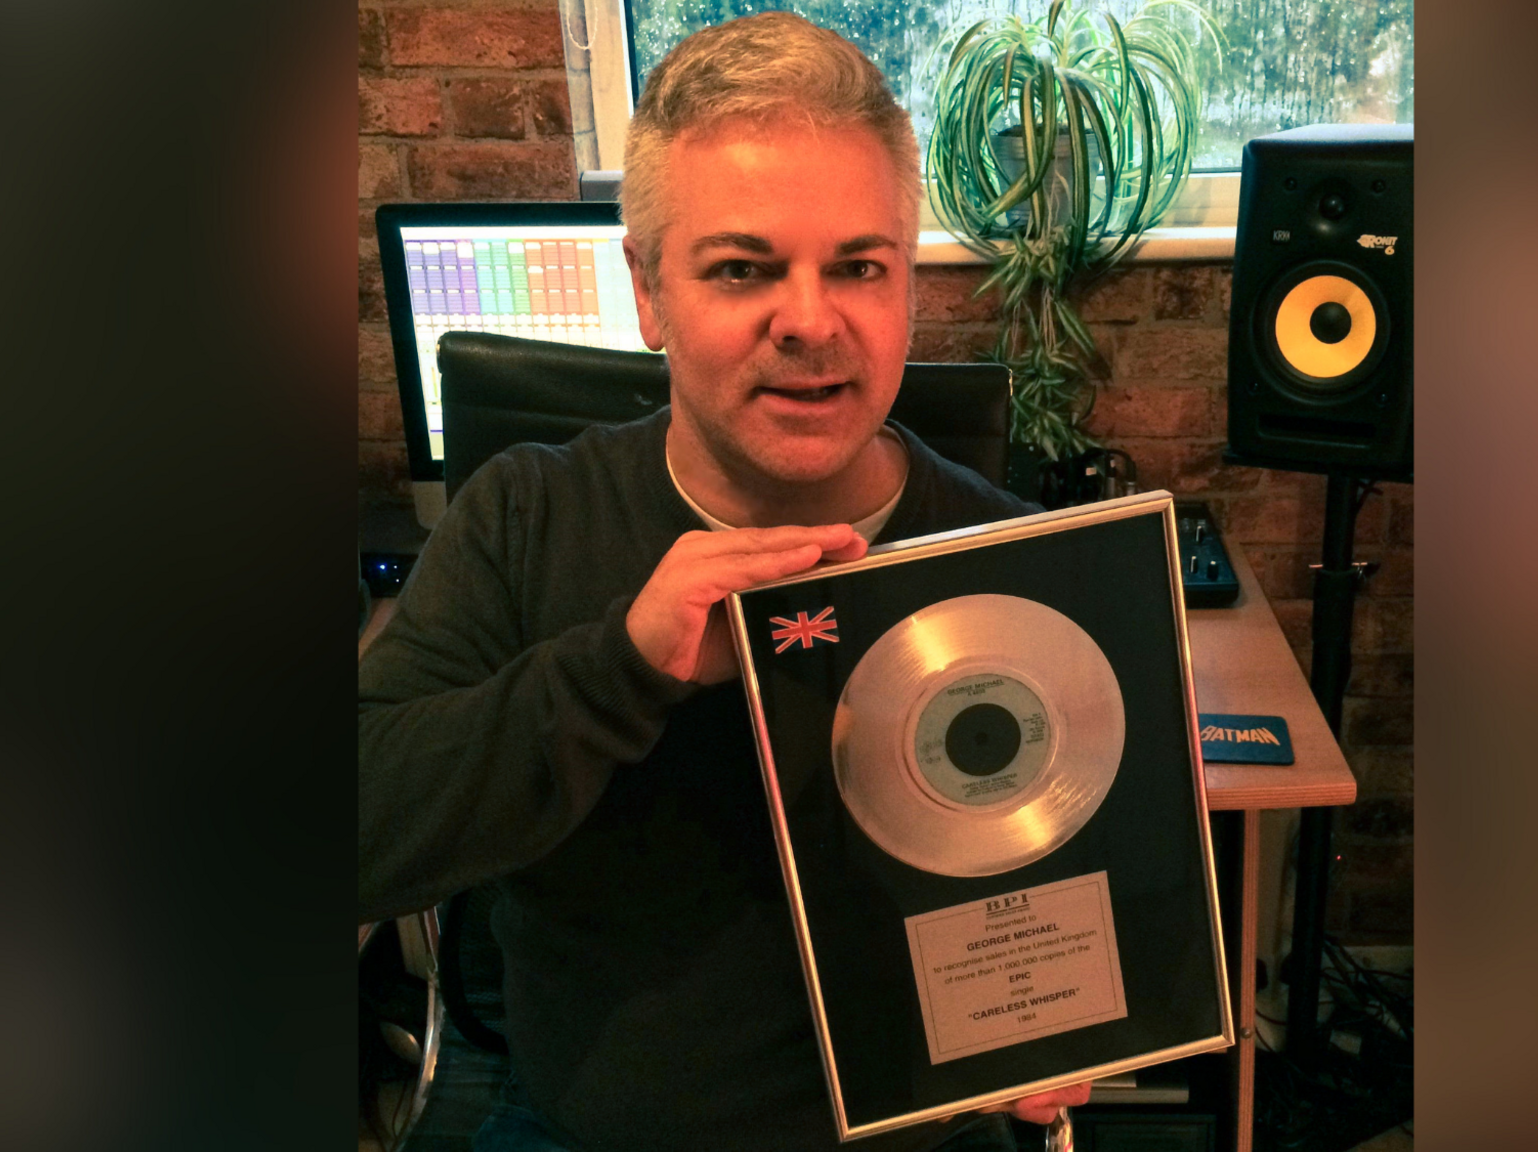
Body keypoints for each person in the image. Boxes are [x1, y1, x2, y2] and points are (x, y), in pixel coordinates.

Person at [359, 14, 1088, 1151]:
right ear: (647, 291)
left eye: (858, 265)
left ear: (905, 287)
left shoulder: (1018, 563)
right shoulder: (524, 514)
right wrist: (618, 670)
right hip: (589, 1131)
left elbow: (1065, 899)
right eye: (743, 269)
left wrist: (1058, 1021)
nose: (810, 320)